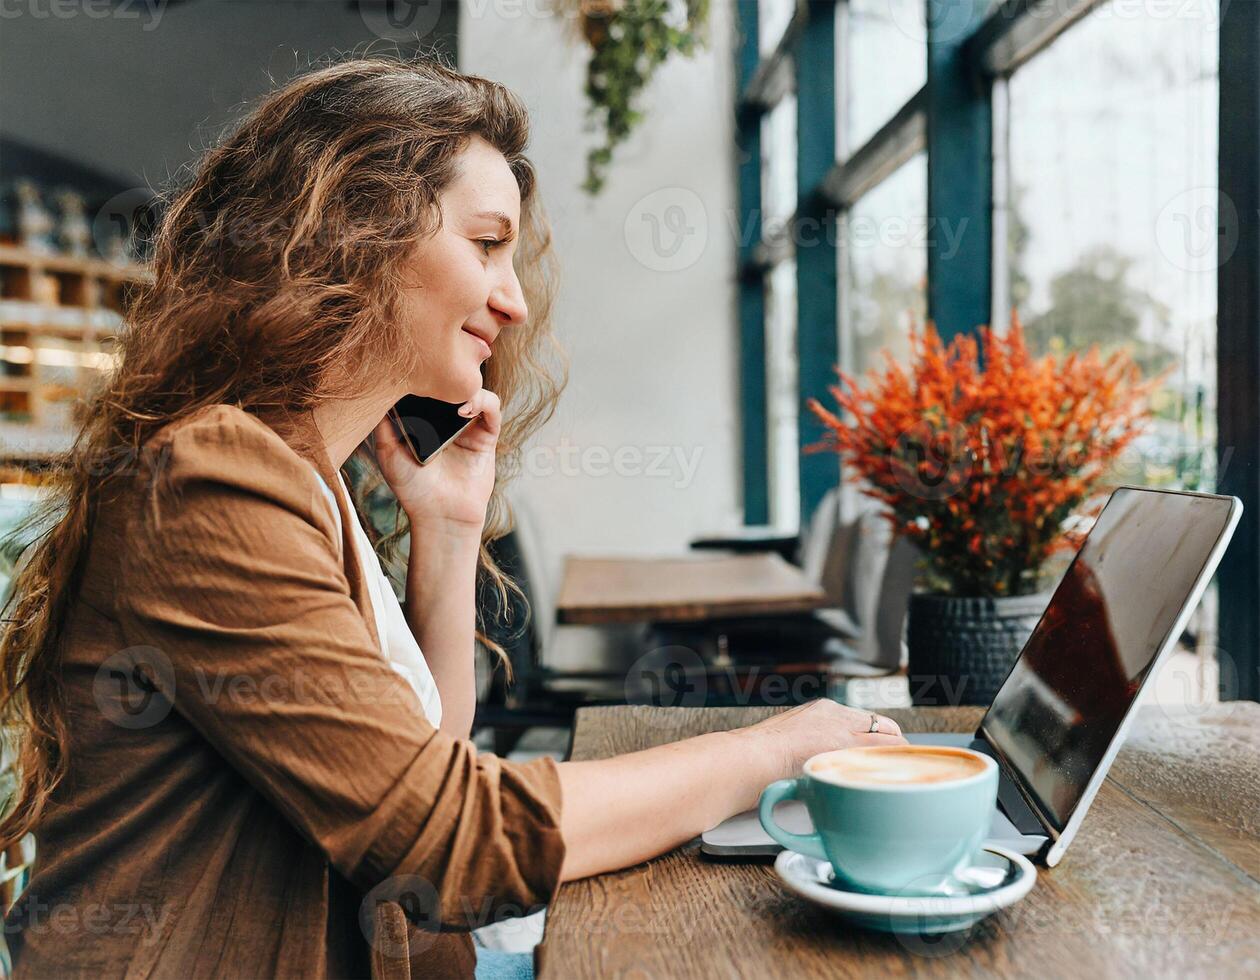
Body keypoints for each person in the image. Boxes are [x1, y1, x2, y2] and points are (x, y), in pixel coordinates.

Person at [0, 56, 906, 978]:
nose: (512, 301)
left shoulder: (308, 478)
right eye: (485, 245)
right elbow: (446, 845)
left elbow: (417, 771)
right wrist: (772, 747)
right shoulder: (213, 480)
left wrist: (446, 533)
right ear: (355, 232)